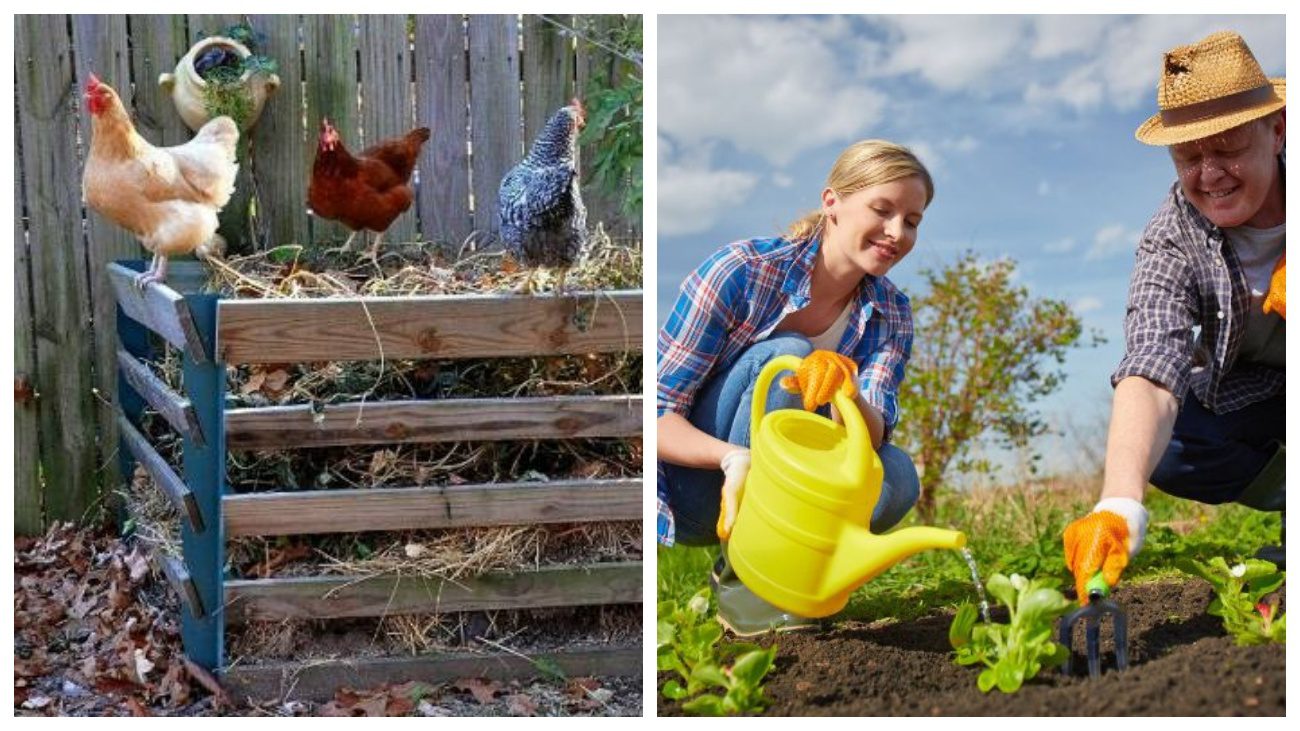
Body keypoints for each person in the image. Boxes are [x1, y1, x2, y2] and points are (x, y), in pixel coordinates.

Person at [657, 139, 934, 635]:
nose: (896, 232)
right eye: (882, 210)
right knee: (788, 356)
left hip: (792, 498)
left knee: (896, 476)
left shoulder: (893, 313)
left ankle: (784, 575)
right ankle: (744, 574)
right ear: (832, 202)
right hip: (704, 488)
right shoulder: (741, 272)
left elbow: (869, 438)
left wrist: (845, 390)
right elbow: (653, 417)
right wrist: (732, 457)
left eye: (911, 220)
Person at [1063, 30, 1285, 602]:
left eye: (1228, 147)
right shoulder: (1172, 235)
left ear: (1277, 130)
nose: (1210, 175)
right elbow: (1151, 361)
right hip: (1259, 392)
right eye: (1189, 156)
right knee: (1175, 445)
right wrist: (1117, 503)